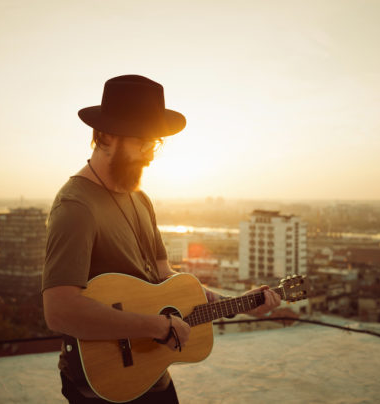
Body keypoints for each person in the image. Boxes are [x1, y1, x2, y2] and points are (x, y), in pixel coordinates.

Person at [41, 75, 281, 403]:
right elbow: (60, 311)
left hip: (152, 376)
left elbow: (166, 281)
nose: (150, 154)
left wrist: (238, 303)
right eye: (141, 141)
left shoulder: (139, 199)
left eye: (154, 144)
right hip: (102, 386)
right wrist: (156, 327)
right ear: (105, 134)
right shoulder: (75, 206)